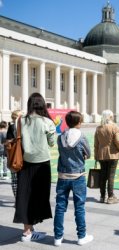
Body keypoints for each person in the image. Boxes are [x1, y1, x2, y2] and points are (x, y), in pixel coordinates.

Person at [13, 92, 56, 242]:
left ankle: (27, 229)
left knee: (24, 195)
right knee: (39, 196)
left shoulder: (21, 120)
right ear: (43, 105)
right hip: (42, 163)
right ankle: (29, 231)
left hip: (24, 162)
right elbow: (52, 143)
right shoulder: (47, 122)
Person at [54, 111, 93, 246]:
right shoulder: (82, 136)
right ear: (78, 122)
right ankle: (81, 236)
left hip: (63, 175)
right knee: (79, 207)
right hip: (78, 175)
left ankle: (58, 237)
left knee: (60, 207)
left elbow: (61, 151)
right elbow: (88, 153)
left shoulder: (61, 137)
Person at [94, 110, 119, 204]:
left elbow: (96, 144)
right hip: (113, 154)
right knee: (111, 176)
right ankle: (110, 197)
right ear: (110, 117)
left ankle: (102, 196)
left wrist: (96, 155)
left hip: (101, 154)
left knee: (103, 175)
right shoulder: (114, 127)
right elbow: (118, 141)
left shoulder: (98, 128)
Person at [6, 110, 22, 196]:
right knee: (20, 179)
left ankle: (17, 199)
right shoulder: (18, 126)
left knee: (15, 179)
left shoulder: (11, 126)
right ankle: (20, 199)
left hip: (13, 156)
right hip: (20, 155)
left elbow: (8, 140)